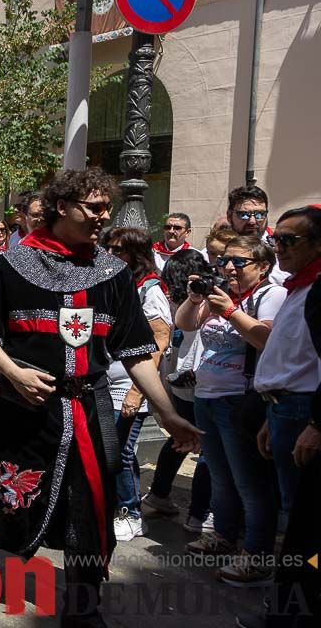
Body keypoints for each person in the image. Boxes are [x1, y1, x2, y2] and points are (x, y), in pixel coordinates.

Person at [0, 167, 199, 628]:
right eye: (93, 207)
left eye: (106, 208)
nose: (102, 216)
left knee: (92, 503)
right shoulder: (10, 266)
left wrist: (167, 412)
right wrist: (13, 372)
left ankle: (83, 604)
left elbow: (134, 351)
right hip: (20, 406)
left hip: (89, 408)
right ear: (61, 207)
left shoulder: (113, 275)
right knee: (1, 485)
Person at [176, 234, 285, 585]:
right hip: (208, 396)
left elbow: (265, 339)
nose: (228, 268)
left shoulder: (272, 296)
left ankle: (256, 554)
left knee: (250, 483)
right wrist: (196, 299)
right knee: (219, 477)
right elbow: (185, 323)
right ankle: (223, 535)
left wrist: (232, 311)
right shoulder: (224, 294)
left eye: (239, 262)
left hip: (241, 398)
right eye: (224, 260)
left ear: (263, 266)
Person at [241, 209, 321, 628]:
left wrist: (316, 423)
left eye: (290, 240)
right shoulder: (299, 287)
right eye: (279, 238)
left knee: (305, 526)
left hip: (303, 413)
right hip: (286, 410)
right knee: (297, 522)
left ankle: (296, 614)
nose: (279, 247)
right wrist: (275, 414)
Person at [100, 227, 173, 542]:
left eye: (119, 250)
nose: (112, 254)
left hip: (130, 383)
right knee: (110, 449)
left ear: (137, 253)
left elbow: (161, 337)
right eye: (110, 248)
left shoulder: (150, 288)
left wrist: (136, 390)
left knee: (122, 452)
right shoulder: (118, 282)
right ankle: (115, 507)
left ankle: (130, 514)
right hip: (107, 376)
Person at [141, 248, 214, 535]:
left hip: (179, 384)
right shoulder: (200, 304)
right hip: (198, 385)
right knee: (206, 450)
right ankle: (198, 514)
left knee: (179, 441)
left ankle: (159, 492)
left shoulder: (174, 299)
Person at [226, 184, 286, 284]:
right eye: (243, 214)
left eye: (260, 214)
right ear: (229, 216)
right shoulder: (216, 250)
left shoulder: (284, 250)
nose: (252, 221)